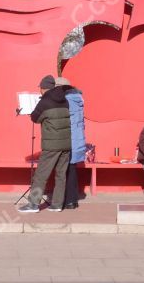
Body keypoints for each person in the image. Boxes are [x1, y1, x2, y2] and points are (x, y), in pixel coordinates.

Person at [17, 75, 72, 213]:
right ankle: (57, 204)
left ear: (43, 88)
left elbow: (35, 117)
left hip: (51, 145)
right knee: (61, 175)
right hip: (66, 144)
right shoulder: (65, 100)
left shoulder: (45, 102)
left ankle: (33, 204)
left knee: (41, 174)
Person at [55, 76, 85, 210]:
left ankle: (66, 200)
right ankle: (72, 200)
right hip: (77, 139)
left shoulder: (66, 100)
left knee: (64, 170)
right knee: (71, 169)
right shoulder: (77, 98)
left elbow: (63, 120)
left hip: (67, 138)